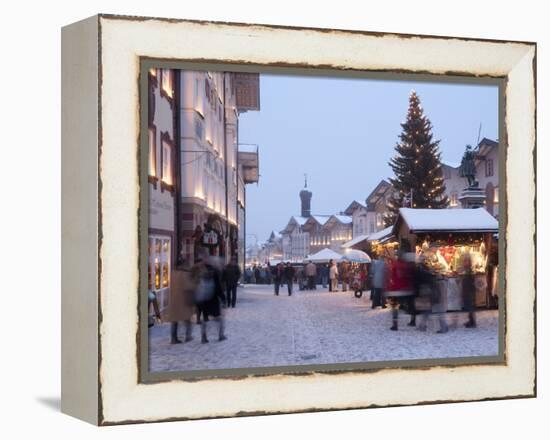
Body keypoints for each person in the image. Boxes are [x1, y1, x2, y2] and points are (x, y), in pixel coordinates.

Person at [192, 256, 227, 343]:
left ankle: (203, 337)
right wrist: (223, 298)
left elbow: (194, 283)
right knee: (219, 318)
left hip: (203, 299)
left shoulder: (201, 272)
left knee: (205, 319)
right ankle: (221, 335)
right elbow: (218, 287)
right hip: (213, 299)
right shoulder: (214, 272)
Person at [163, 258, 195, 344]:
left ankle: (174, 338)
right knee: (187, 320)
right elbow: (189, 288)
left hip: (174, 301)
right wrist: (192, 301)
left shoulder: (173, 273)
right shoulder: (186, 275)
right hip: (183, 301)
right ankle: (188, 336)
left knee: (175, 321)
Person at [385, 250, 415, 331]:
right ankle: (413, 320)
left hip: (396, 289)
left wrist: (388, 287)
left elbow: (392, 276)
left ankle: (395, 325)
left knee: (395, 307)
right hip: (407, 289)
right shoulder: (407, 265)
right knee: (411, 305)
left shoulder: (395, 264)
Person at [462, 252, 477, 328]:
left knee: (470, 307)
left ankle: (472, 322)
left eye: (465, 261)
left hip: (469, 291)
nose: (464, 262)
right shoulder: (467, 270)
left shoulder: (469, 271)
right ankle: (471, 321)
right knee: (469, 306)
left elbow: (469, 281)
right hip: (468, 291)